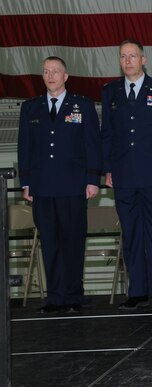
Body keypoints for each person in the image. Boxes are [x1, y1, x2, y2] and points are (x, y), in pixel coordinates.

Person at [100, 39, 152, 311]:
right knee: (131, 233)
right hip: (123, 175)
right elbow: (107, 135)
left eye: (133, 56)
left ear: (143, 59)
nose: (128, 61)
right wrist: (107, 169)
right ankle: (136, 291)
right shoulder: (110, 91)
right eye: (123, 56)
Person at [17, 56, 101, 314]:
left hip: (74, 185)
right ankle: (55, 297)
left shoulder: (82, 106)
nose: (50, 75)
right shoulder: (31, 108)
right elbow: (25, 148)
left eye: (55, 71)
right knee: (50, 242)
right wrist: (27, 183)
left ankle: (74, 295)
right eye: (46, 72)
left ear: (66, 76)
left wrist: (92, 179)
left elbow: (92, 145)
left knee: (73, 241)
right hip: (42, 186)